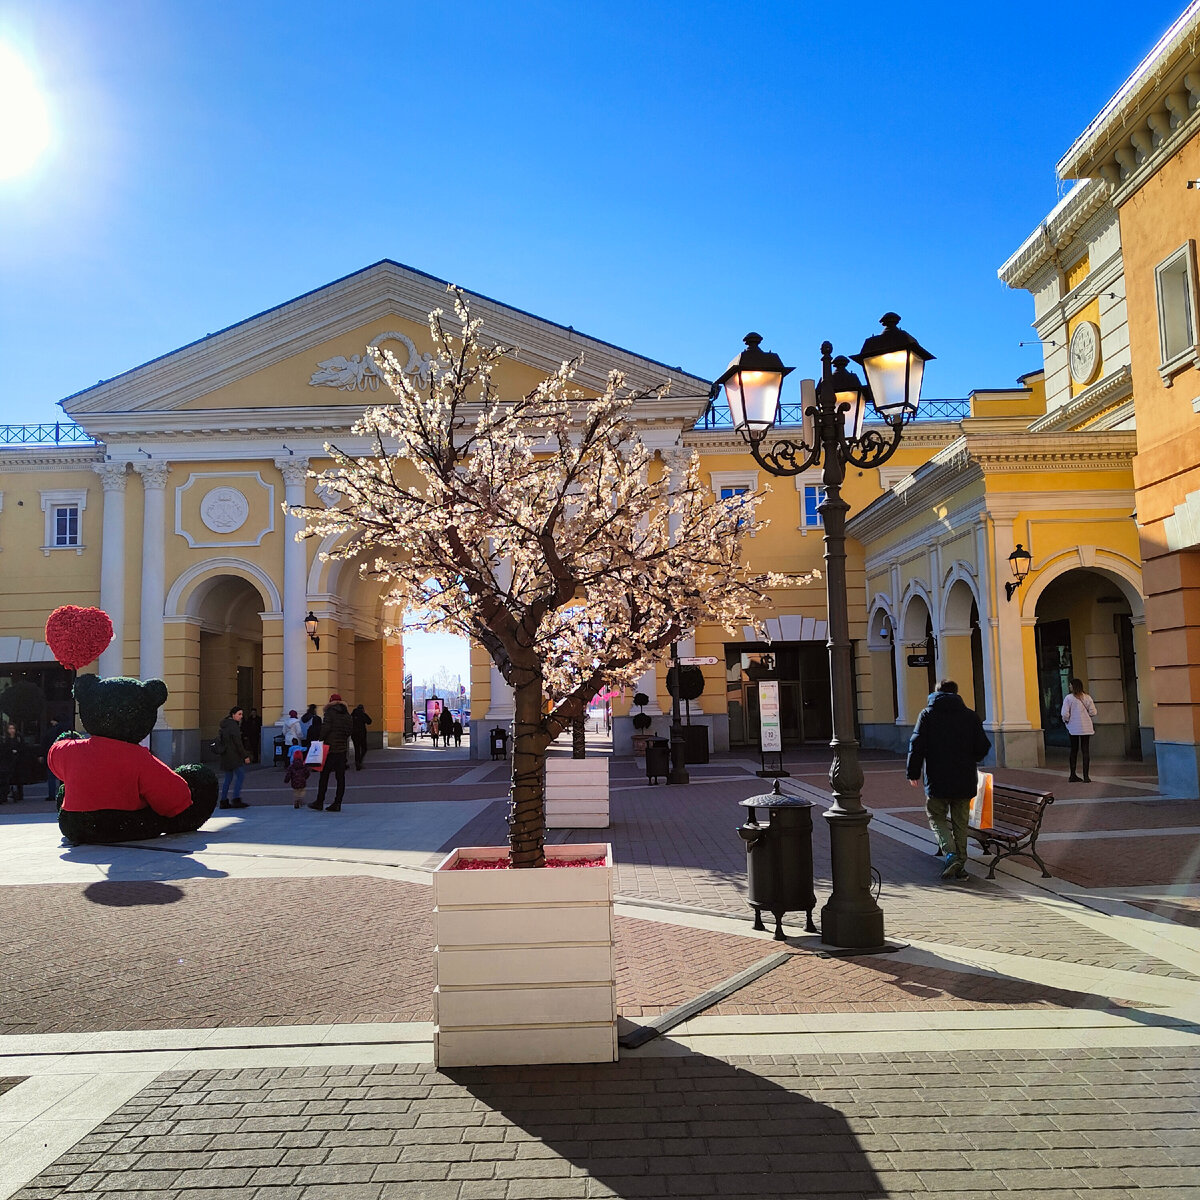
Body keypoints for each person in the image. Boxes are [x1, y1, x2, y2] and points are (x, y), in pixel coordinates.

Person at [906, 679, 991, 881]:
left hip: (937, 778)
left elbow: (916, 745)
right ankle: (960, 863)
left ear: (936, 693)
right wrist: (972, 758)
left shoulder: (927, 714)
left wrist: (913, 772)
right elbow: (983, 746)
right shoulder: (970, 716)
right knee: (961, 822)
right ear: (956, 693)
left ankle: (951, 854)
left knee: (936, 817)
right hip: (964, 778)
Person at [310, 693, 352, 811]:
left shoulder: (329, 713)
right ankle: (337, 803)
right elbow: (349, 731)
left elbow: (325, 728)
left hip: (329, 749)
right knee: (340, 777)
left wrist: (320, 739)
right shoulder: (347, 714)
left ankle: (319, 801)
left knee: (324, 776)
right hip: (342, 749)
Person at [1061, 678, 1098, 783]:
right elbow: (1093, 712)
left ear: (1074, 686)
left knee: (1074, 750)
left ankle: (1073, 774)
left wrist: (1066, 721)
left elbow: (1064, 713)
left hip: (1073, 728)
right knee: (1085, 751)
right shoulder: (1087, 698)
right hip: (1086, 728)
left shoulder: (1069, 698)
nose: (1069, 687)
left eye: (1070, 685)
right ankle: (1086, 776)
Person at [217, 706, 251, 809]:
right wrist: (245, 756)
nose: (241, 716)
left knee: (228, 778)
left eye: (242, 714)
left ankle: (223, 800)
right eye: (239, 714)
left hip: (226, 756)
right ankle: (236, 799)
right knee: (240, 775)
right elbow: (238, 743)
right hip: (234, 756)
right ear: (233, 715)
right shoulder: (233, 726)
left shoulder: (225, 725)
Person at [41, 717, 64, 801]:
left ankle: (51, 795)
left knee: (51, 777)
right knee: (62, 777)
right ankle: (62, 794)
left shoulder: (49, 731)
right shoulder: (63, 730)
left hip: (51, 755)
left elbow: (44, 743)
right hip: (61, 756)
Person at [283, 744, 311, 809]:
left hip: (294, 781)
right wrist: (305, 777)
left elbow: (288, 774)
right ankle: (300, 798)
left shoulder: (292, 766)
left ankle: (296, 800)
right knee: (302, 791)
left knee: (296, 791)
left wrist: (286, 780)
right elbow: (307, 773)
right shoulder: (303, 766)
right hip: (302, 781)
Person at [0, 723, 20, 803]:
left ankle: (4, 795)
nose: (11, 730)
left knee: (7, 778)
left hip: (12, 762)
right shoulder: (5, 740)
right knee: (5, 779)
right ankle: (4, 795)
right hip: (7, 762)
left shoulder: (17, 738)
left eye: (13, 728)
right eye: (10, 729)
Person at [351, 703, 372, 770]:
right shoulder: (363, 714)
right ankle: (359, 761)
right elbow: (369, 721)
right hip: (362, 734)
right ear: (363, 709)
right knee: (364, 748)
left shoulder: (352, 715)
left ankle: (357, 762)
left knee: (356, 749)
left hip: (354, 734)